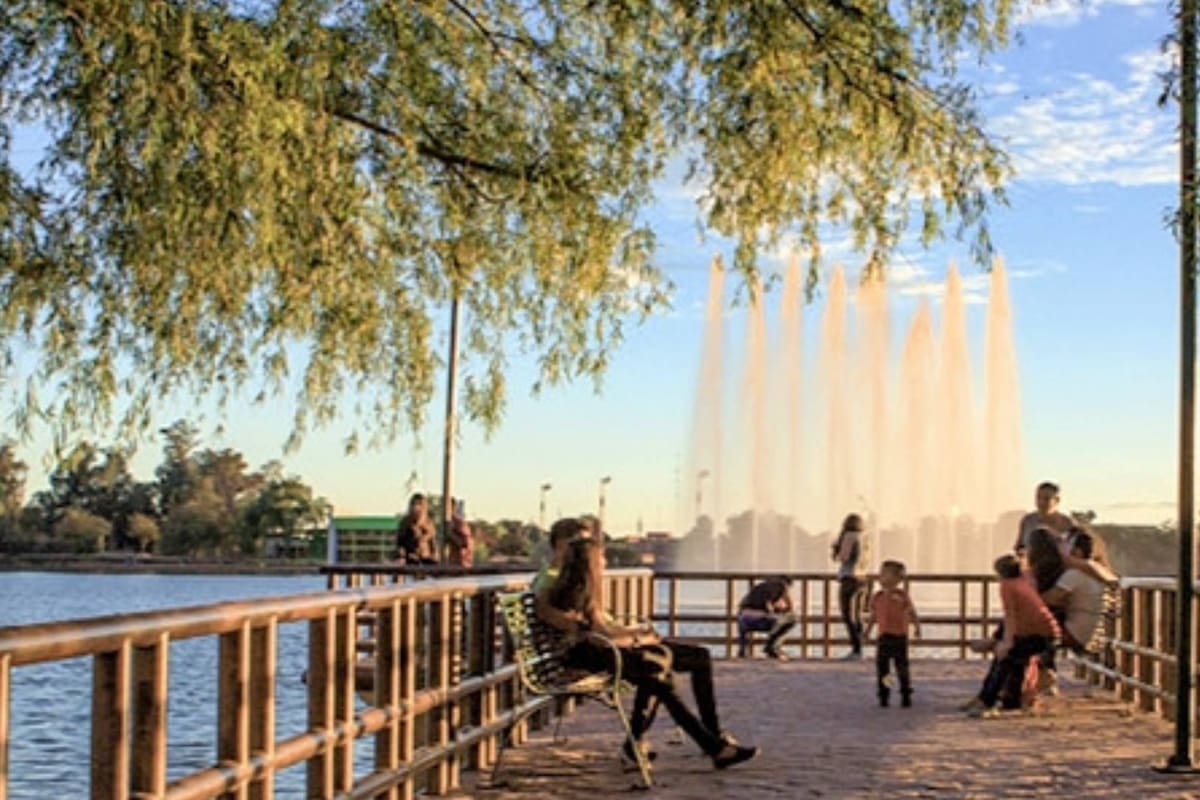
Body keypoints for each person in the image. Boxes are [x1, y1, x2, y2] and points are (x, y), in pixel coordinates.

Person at [536, 537, 759, 771]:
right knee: (658, 672)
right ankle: (712, 747)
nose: (606, 562)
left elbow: (601, 631)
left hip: (597, 652)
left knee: (662, 666)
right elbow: (596, 638)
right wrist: (638, 638)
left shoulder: (580, 592)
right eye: (601, 557)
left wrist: (637, 633)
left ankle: (694, 745)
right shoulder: (570, 595)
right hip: (589, 656)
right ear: (589, 564)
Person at [967, 554, 1061, 716]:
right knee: (1014, 659)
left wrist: (1007, 643)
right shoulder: (1023, 580)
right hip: (1049, 633)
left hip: (1037, 634)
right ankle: (1009, 701)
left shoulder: (1007, 586)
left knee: (1005, 658)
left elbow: (1010, 616)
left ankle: (988, 701)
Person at [1041, 529, 1119, 653]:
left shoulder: (1075, 574)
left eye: (1066, 545)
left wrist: (1027, 596)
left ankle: (1042, 669)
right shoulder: (1099, 571)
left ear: (1077, 551)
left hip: (1076, 634)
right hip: (1095, 634)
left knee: (1032, 631)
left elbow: (1052, 599)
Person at [864, 560, 921, 707]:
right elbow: (873, 616)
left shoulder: (902, 595)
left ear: (897, 579)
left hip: (900, 636)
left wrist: (917, 627)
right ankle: (884, 693)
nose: (880, 578)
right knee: (884, 669)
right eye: (880, 574)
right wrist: (867, 631)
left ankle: (905, 692)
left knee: (902, 667)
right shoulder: (877, 597)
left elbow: (911, 611)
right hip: (884, 637)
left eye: (884, 574)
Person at [736, 576, 797, 660]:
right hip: (759, 619)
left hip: (744, 619)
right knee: (791, 619)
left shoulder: (761, 586)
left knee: (780, 619)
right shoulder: (779, 586)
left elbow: (742, 605)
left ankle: (742, 651)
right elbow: (769, 604)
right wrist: (778, 609)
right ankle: (772, 647)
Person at [832, 513, 867, 659]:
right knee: (857, 616)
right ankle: (860, 649)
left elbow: (843, 557)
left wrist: (835, 550)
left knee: (847, 615)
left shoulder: (849, 536)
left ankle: (856, 649)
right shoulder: (864, 537)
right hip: (862, 579)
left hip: (849, 578)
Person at [1014, 481, 1074, 555]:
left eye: (1046, 499)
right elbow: (1019, 546)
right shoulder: (1028, 520)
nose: (1041, 502)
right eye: (1038, 497)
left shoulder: (1067, 523)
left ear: (1057, 500)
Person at [395, 493, 438, 564]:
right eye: (414, 504)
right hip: (410, 558)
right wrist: (402, 556)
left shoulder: (429, 523)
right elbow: (400, 542)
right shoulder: (405, 522)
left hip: (426, 558)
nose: (417, 507)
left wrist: (434, 554)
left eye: (420, 504)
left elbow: (433, 542)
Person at [446, 503, 474, 567]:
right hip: (454, 563)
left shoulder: (459, 523)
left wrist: (451, 535)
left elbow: (465, 543)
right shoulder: (451, 523)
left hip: (461, 563)